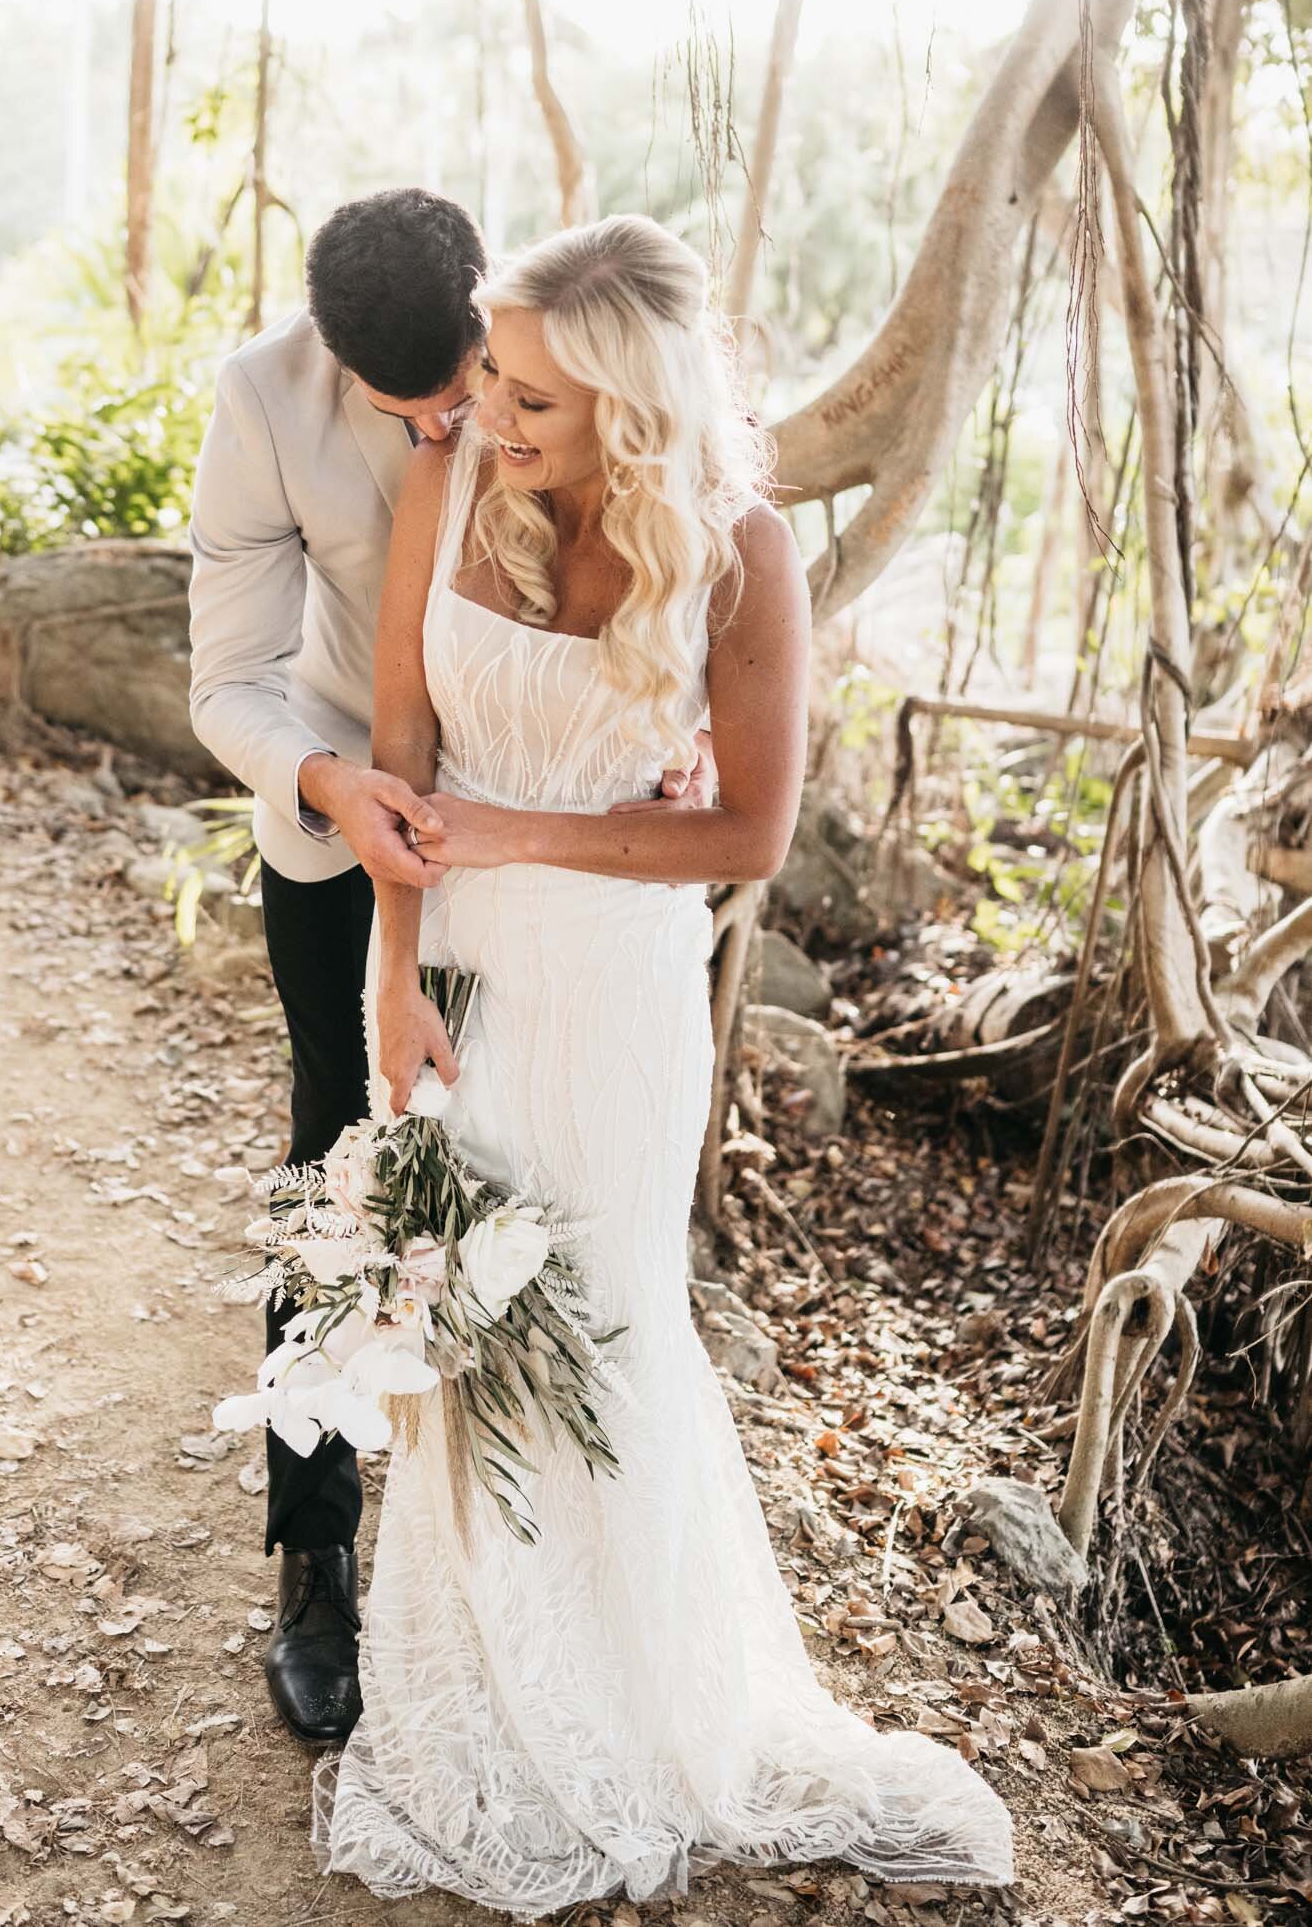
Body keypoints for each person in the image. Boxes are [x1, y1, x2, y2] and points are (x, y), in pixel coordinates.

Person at [314, 216, 1016, 1913]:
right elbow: (403, 755)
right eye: (492, 370)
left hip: (618, 1003)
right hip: (462, 978)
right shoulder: (448, 487)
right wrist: (388, 981)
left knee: (608, 1326)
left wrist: (518, 828)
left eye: (533, 392)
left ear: (630, 401)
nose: (486, 407)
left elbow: (747, 827)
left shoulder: (740, 550)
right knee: (468, 1334)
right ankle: (480, 1698)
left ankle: (638, 1706)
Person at [186, 187, 715, 1744]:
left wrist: (657, 725)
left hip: (541, 827)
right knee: (340, 1168)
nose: (455, 428)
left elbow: (668, 515)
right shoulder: (257, 403)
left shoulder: (541, 347)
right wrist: (332, 785)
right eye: (408, 407)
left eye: (469, 388)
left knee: (519, 1169)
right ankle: (315, 1562)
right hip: (344, 814)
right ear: (331, 359)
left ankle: (524, 1554)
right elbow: (225, 674)